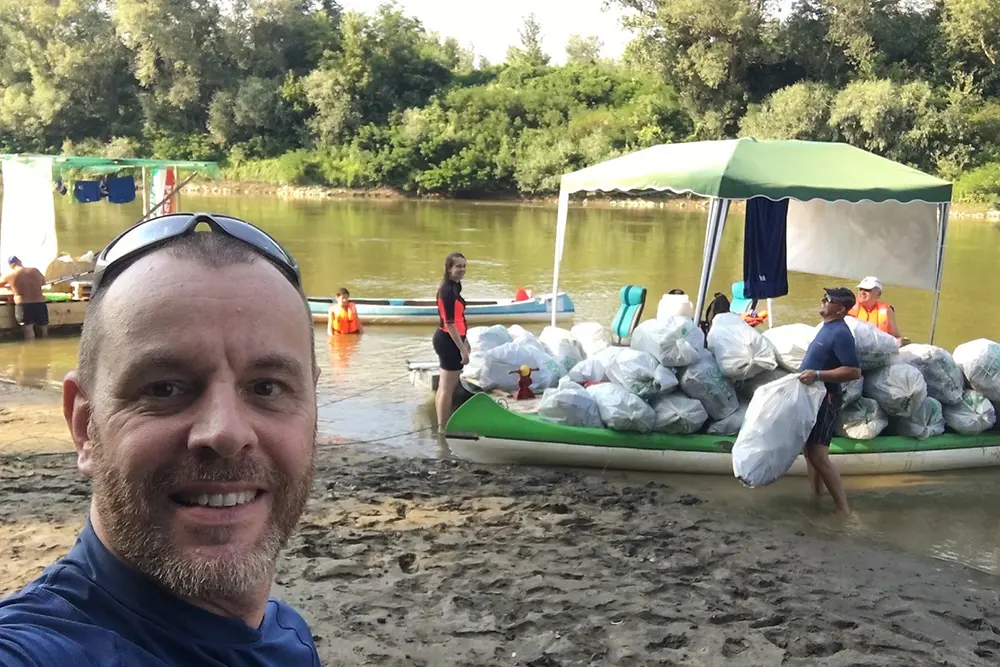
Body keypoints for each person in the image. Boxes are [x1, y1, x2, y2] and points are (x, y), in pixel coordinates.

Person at [0, 213, 321, 666]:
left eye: (267, 387)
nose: (226, 433)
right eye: (163, 388)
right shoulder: (38, 651)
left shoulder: (288, 637)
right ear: (83, 425)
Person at [798, 287, 862, 516]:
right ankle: (816, 498)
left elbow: (853, 371)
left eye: (828, 300)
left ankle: (843, 510)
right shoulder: (826, 328)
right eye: (824, 298)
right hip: (813, 396)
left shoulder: (841, 333)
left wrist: (817, 375)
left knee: (818, 454)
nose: (823, 301)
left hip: (827, 397)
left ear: (840, 309)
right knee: (808, 451)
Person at [433, 252, 469, 433]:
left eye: (464, 266)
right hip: (448, 341)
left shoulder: (456, 286)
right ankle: (442, 429)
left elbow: (459, 317)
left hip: (453, 339)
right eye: (458, 266)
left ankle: (442, 425)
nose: (462, 270)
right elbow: (449, 323)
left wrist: (466, 339)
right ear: (449, 269)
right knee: (447, 388)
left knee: (444, 387)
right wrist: (462, 349)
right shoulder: (447, 291)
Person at [0, 256, 49, 340]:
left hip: (24, 304)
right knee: (43, 328)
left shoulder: (10, 275)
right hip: (40, 303)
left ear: (11, 265)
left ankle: (30, 348)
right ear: (20, 261)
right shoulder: (35, 270)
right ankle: (45, 346)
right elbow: (43, 283)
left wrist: (10, 286)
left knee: (28, 330)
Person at [848, 276, 906, 343]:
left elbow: (895, 336)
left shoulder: (887, 310)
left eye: (867, 290)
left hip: (879, 348)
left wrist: (902, 341)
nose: (862, 292)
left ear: (878, 294)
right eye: (860, 289)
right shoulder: (849, 305)